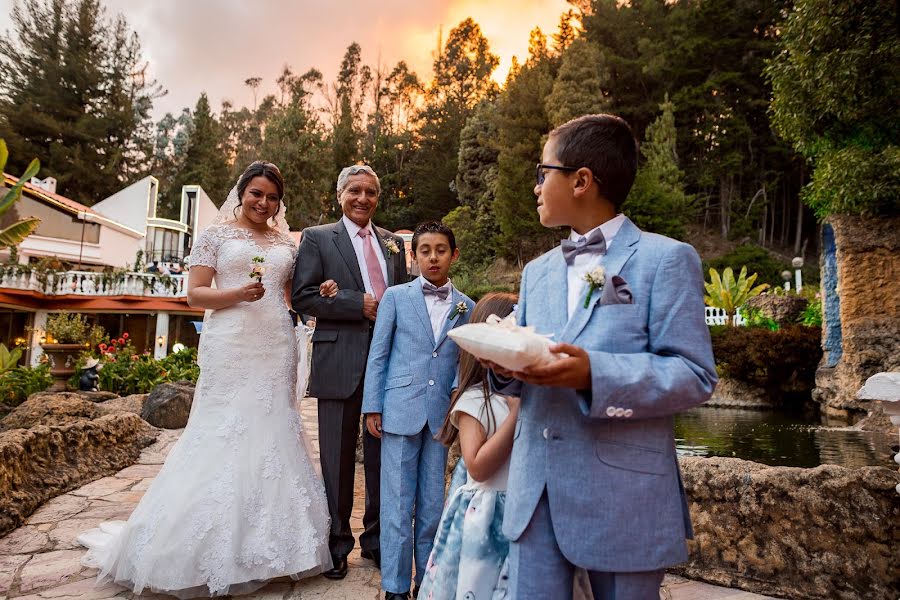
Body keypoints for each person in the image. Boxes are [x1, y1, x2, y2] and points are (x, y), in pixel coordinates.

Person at [77, 161, 337, 598]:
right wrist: (236, 294)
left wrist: (321, 295)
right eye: (257, 193)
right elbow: (195, 294)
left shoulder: (283, 243)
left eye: (272, 197)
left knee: (274, 429)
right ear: (241, 192)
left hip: (275, 341)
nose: (264, 203)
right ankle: (196, 545)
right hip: (231, 340)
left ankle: (274, 547)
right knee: (220, 431)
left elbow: (292, 297)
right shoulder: (216, 235)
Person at [488, 114, 717, 599]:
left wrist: (594, 373)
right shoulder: (536, 272)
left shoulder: (666, 259)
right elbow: (528, 366)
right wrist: (506, 370)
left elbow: (694, 374)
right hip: (535, 495)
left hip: (623, 497)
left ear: (582, 181)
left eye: (542, 172)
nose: (535, 185)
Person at [292, 164, 409, 580]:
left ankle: (376, 541)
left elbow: (404, 300)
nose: (363, 198)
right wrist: (353, 303)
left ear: (379, 197)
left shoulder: (395, 244)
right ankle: (338, 543)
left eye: (371, 192)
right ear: (339, 194)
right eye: (355, 191)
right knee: (337, 460)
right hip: (339, 360)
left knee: (383, 459)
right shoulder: (318, 238)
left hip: (389, 365)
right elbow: (303, 296)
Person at [362, 221, 475, 600]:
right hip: (397, 410)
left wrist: (460, 409)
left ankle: (426, 583)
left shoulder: (467, 306)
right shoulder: (395, 297)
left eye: (441, 250)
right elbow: (378, 354)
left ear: (453, 255)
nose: (433, 257)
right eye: (425, 250)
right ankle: (395, 587)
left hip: (440, 417)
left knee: (431, 504)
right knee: (395, 505)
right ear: (414, 256)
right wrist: (372, 405)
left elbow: (463, 366)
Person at [417, 292, 519, 600]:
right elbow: (477, 465)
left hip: (524, 512)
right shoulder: (476, 401)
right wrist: (517, 416)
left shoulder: (535, 397)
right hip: (487, 520)